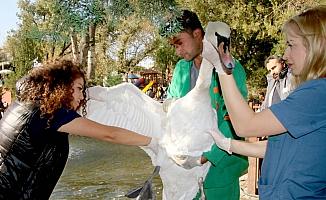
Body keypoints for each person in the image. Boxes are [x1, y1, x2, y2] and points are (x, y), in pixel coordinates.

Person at [206, 5, 326, 199]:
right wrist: (227, 144)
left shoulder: (318, 93)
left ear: (317, 45)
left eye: (291, 44)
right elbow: (278, 147)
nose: (285, 56)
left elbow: (246, 126)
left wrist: (222, 68)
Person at [0, 60, 156, 199]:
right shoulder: (50, 113)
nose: (82, 96)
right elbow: (111, 134)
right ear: (62, 86)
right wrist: (155, 142)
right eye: (80, 89)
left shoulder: (29, 104)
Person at [161, 10, 248, 200]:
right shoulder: (180, 69)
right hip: (184, 173)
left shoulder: (231, 69)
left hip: (219, 173)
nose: (177, 51)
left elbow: (235, 120)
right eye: (173, 46)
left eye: (179, 43)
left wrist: (207, 157)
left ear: (198, 34)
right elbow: (172, 106)